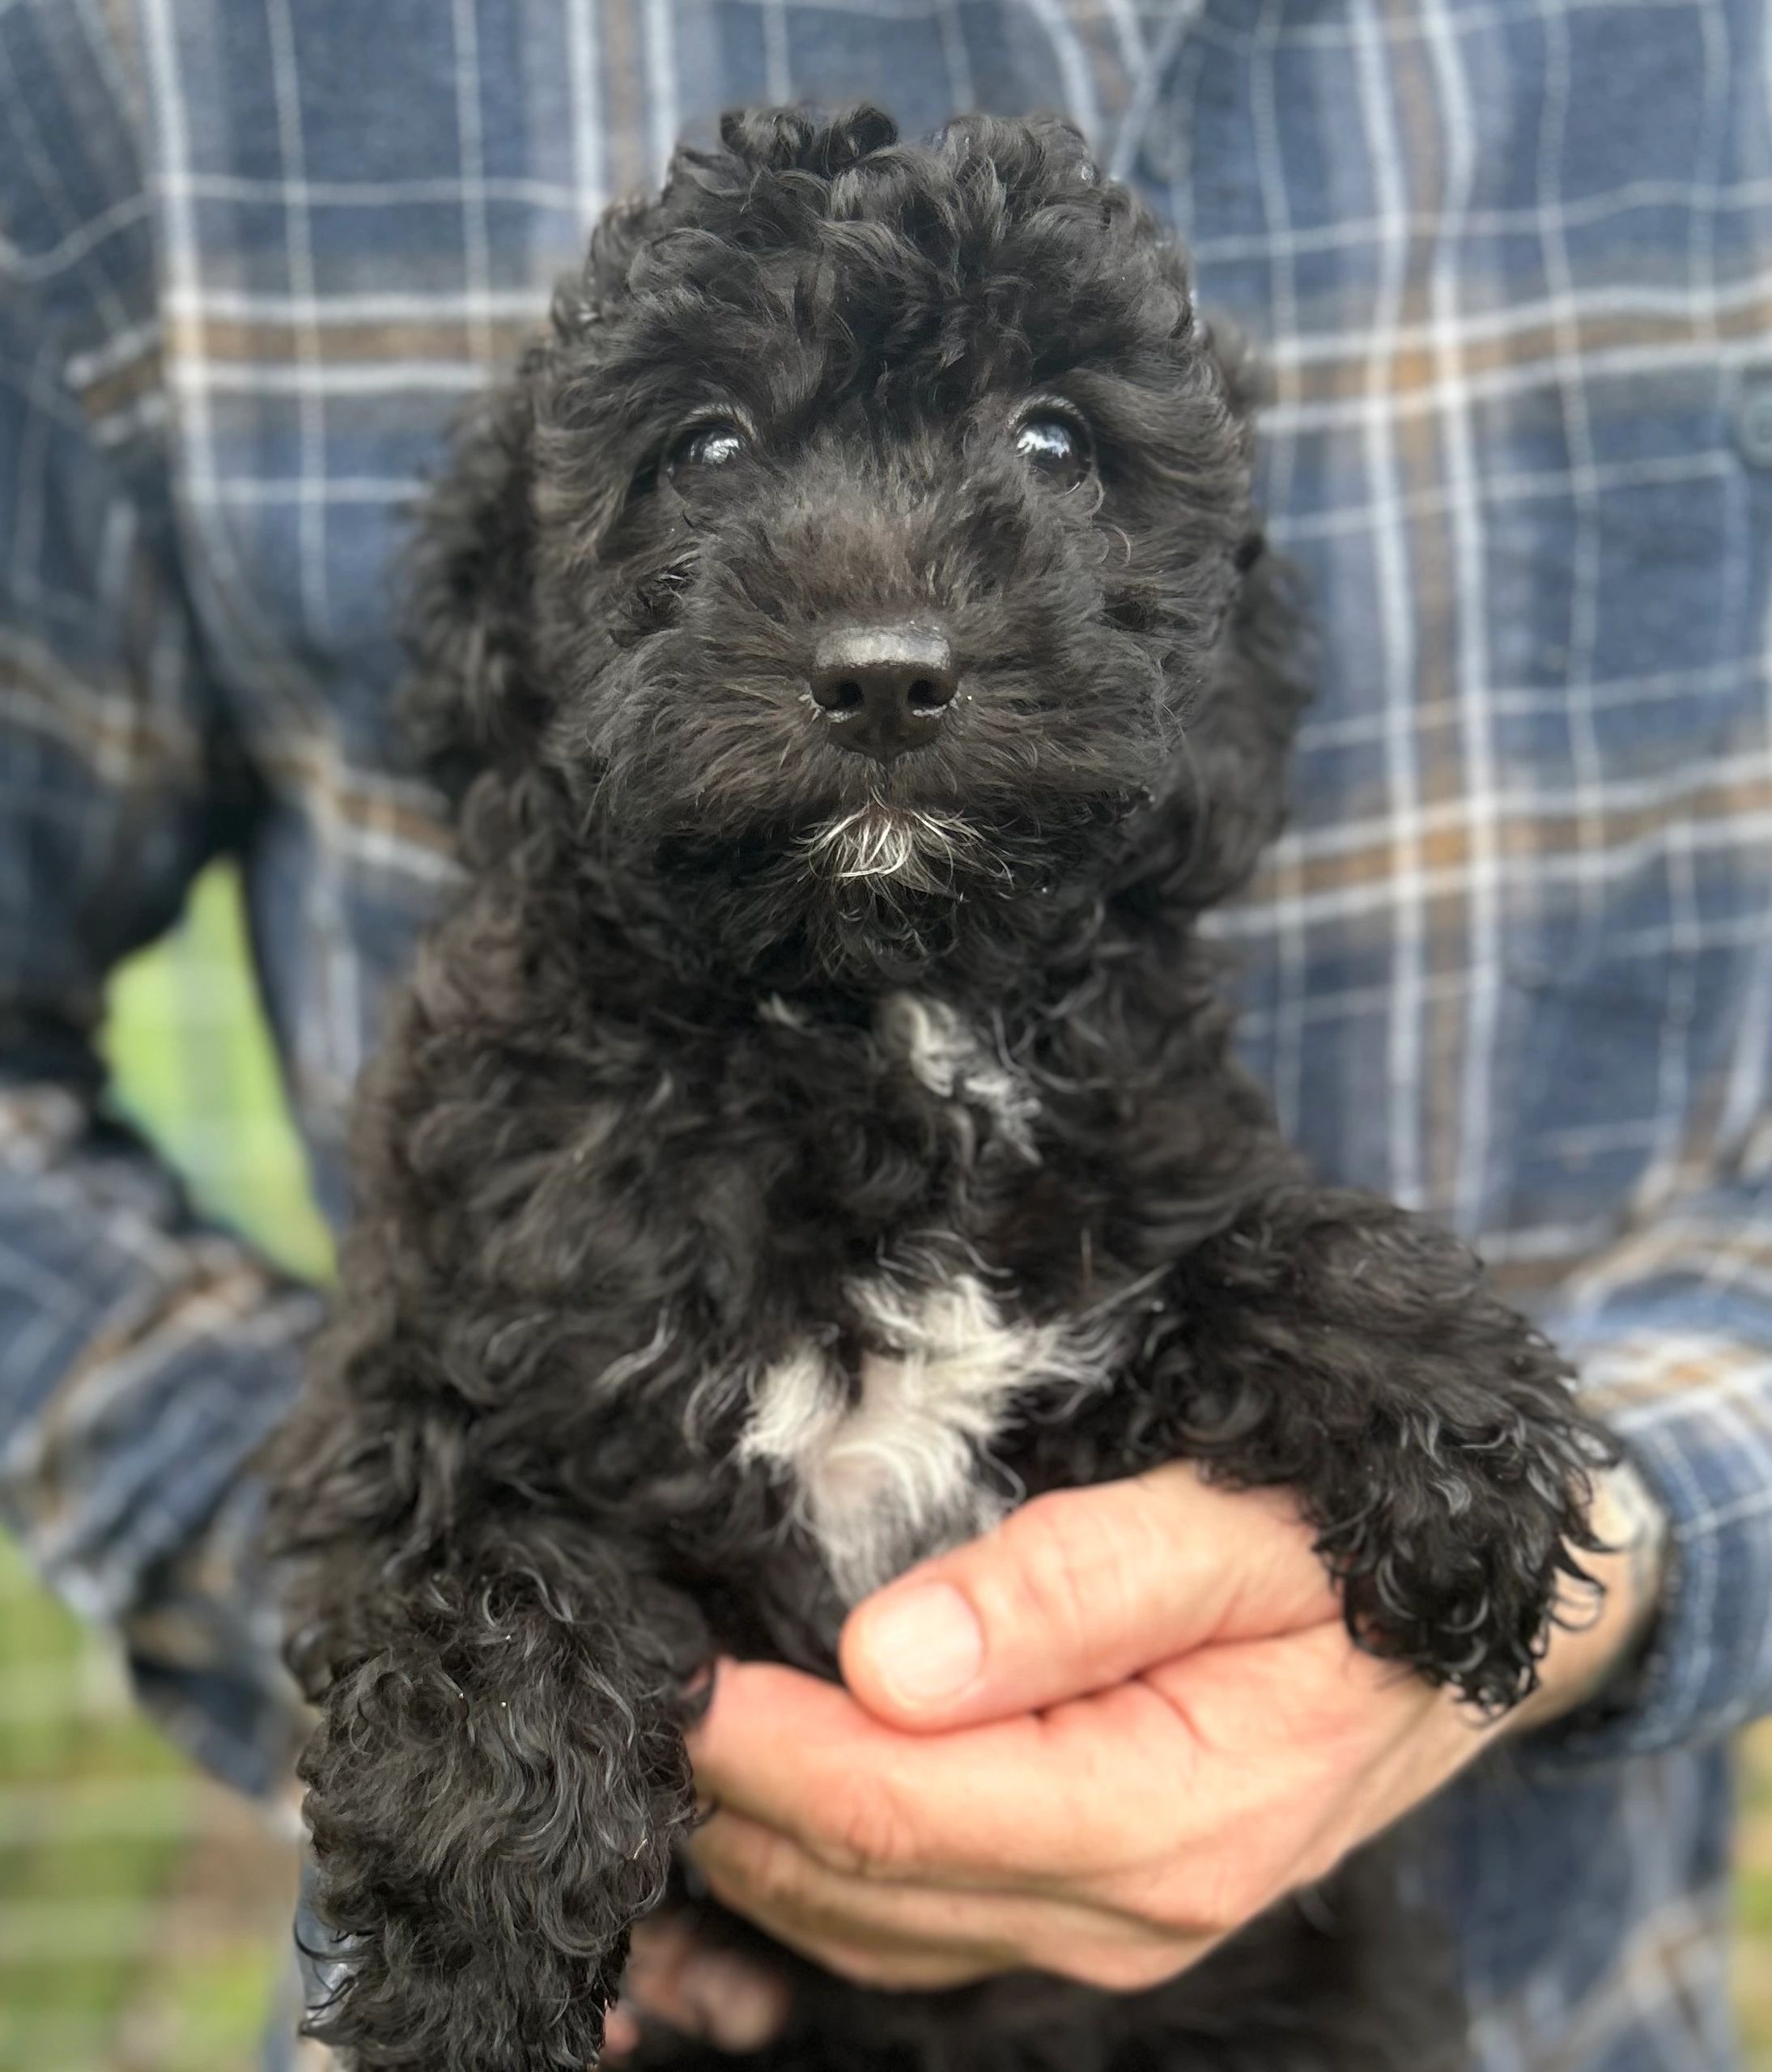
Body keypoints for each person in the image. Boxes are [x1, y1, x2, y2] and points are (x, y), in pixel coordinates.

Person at [1, 4, 1768, 2069]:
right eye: (711, 451)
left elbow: (1235, 1314)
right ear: (518, 625)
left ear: (1213, 639)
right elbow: (435, 1474)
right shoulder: (520, 1142)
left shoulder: (1139, 1102)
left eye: (1049, 447)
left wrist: (1613, 1535)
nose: (884, 626)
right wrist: (405, 1675)